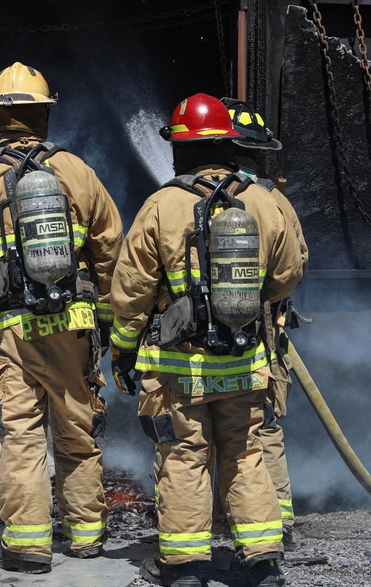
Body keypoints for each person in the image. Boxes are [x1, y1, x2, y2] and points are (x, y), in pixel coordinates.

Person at [0, 62, 123, 574]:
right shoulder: (77, 171)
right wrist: (106, 320)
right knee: (77, 430)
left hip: (12, 331)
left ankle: (29, 544)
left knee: (21, 433)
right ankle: (87, 535)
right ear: (43, 116)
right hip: (74, 325)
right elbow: (111, 250)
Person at [109, 93, 304, 587]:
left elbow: (131, 290)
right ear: (228, 143)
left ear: (180, 148)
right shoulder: (264, 200)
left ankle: (186, 566)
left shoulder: (162, 205)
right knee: (245, 452)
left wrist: (123, 351)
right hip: (244, 362)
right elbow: (290, 271)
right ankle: (261, 561)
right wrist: (254, 302)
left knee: (184, 455)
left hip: (181, 371)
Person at [225, 98, 310, 550]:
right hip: (263, 333)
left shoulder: (194, 196)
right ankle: (278, 525)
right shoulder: (274, 201)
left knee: (194, 432)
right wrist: (264, 303)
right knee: (263, 425)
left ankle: (199, 524)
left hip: (198, 340)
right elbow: (296, 264)